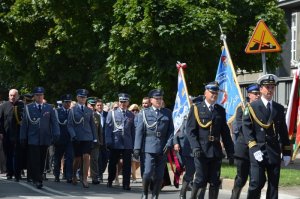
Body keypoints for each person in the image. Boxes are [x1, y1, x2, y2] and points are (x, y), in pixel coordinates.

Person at [242, 74, 291, 199]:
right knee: (256, 183)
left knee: (274, 185)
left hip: (274, 151)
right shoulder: (252, 107)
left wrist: (286, 151)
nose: (270, 90)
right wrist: (253, 148)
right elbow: (247, 130)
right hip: (258, 150)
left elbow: (283, 131)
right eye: (267, 87)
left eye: (272, 87)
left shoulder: (278, 108)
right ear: (261, 89)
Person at [186, 81, 234, 199]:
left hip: (215, 151)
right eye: (212, 92)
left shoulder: (220, 110)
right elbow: (190, 131)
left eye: (216, 93)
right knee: (200, 179)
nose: (214, 95)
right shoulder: (196, 108)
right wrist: (195, 147)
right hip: (201, 150)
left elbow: (225, 133)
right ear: (205, 93)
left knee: (214, 181)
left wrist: (230, 152)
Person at [133, 89, 174, 199]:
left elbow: (171, 131)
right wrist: (137, 148)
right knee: (147, 173)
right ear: (151, 100)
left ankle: (155, 195)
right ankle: (145, 192)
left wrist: (169, 143)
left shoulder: (167, 113)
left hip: (163, 147)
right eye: (157, 99)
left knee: (160, 175)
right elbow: (139, 131)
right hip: (149, 147)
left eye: (160, 98)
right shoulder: (144, 113)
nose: (159, 101)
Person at [20, 87, 60, 189]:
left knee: (42, 159)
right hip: (33, 138)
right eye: (37, 95)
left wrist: (56, 134)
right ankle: (38, 179)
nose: (39, 97)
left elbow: (54, 122)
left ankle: (37, 176)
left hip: (45, 138)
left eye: (41, 95)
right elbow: (24, 124)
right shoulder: (29, 107)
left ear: (43, 96)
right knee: (35, 159)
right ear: (34, 96)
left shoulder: (49, 107)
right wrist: (23, 137)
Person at [230, 84, 261, 199]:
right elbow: (242, 128)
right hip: (243, 149)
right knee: (241, 178)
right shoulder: (242, 108)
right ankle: (234, 196)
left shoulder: (261, 107)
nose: (258, 96)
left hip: (256, 149)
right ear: (249, 95)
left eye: (259, 93)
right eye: (255, 94)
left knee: (256, 180)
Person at [174, 95, 204, 199]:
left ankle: (198, 196)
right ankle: (183, 193)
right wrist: (176, 143)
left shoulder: (205, 116)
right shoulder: (186, 116)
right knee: (190, 172)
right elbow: (179, 130)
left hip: (202, 149)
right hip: (189, 148)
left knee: (202, 174)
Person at [67, 89, 97, 188]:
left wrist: (95, 138)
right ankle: (74, 174)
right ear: (77, 98)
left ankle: (84, 178)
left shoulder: (89, 110)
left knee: (86, 157)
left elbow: (92, 125)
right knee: (78, 159)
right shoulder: (73, 110)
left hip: (87, 137)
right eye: (81, 97)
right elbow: (70, 125)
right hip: (77, 137)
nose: (82, 99)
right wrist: (73, 135)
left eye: (84, 97)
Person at [105, 93, 135, 190]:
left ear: (128, 102)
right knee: (113, 163)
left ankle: (126, 184)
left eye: (124, 101)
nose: (122, 103)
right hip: (115, 142)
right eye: (121, 101)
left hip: (127, 143)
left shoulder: (131, 114)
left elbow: (133, 130)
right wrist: (108, 141)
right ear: (119, 102)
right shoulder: (112, 113)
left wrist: (134, 144)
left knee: (127, 164)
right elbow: (108, 128)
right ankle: (110, 180)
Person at [0, 89, 24, 181]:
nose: (12, 97)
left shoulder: (21, 105)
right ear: (8, 96)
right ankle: (10, 173)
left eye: (14, 95)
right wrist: (1, 132)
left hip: (18, 134)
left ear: (18, 96)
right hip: (7, 134)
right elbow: (0, 120)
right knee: (8, 155)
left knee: (18, 154)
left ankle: (18, 173)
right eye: (11, 95)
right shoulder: (3, 106)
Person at [53, 94, 73, 183]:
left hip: (69, 139)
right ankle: (56, 175)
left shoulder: (72, 112)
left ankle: (68, 176)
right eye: (66, 102)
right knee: (57, 158)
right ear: (63, 102)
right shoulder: (57, 111)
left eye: (69, 102)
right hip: (60, 139)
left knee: (69, 157)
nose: (68, 103)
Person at [87, 97, 103, 185]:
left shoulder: (97, 115)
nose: (92, 107)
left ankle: (95, 177)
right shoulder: (83, 114)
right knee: (83, 159)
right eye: (90, 105)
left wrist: (101, 141)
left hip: (95, 141)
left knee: (94, 160)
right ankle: (81, 175)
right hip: (85, 140)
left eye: (93, 105)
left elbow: (100, 130)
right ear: (87, 105)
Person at [95, 99, 108, 183]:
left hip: (106, 140)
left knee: (105, 158)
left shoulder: (107, 114)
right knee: (98, 158)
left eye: (101, 105)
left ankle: (101, 171)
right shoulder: (93, 115)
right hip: (97, 139)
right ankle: (99, 175)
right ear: (95, 106)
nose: (99, 107)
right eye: (98, 105)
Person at [128, 103, 140, 183]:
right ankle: (134, 177)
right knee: (133, 160)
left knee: (139, 161)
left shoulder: (140, 117)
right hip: (131, 141)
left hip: (138, 141)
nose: (135, 111)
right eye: (133, 110)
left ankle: (129, 171)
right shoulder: (129, 118)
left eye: (136, 110)